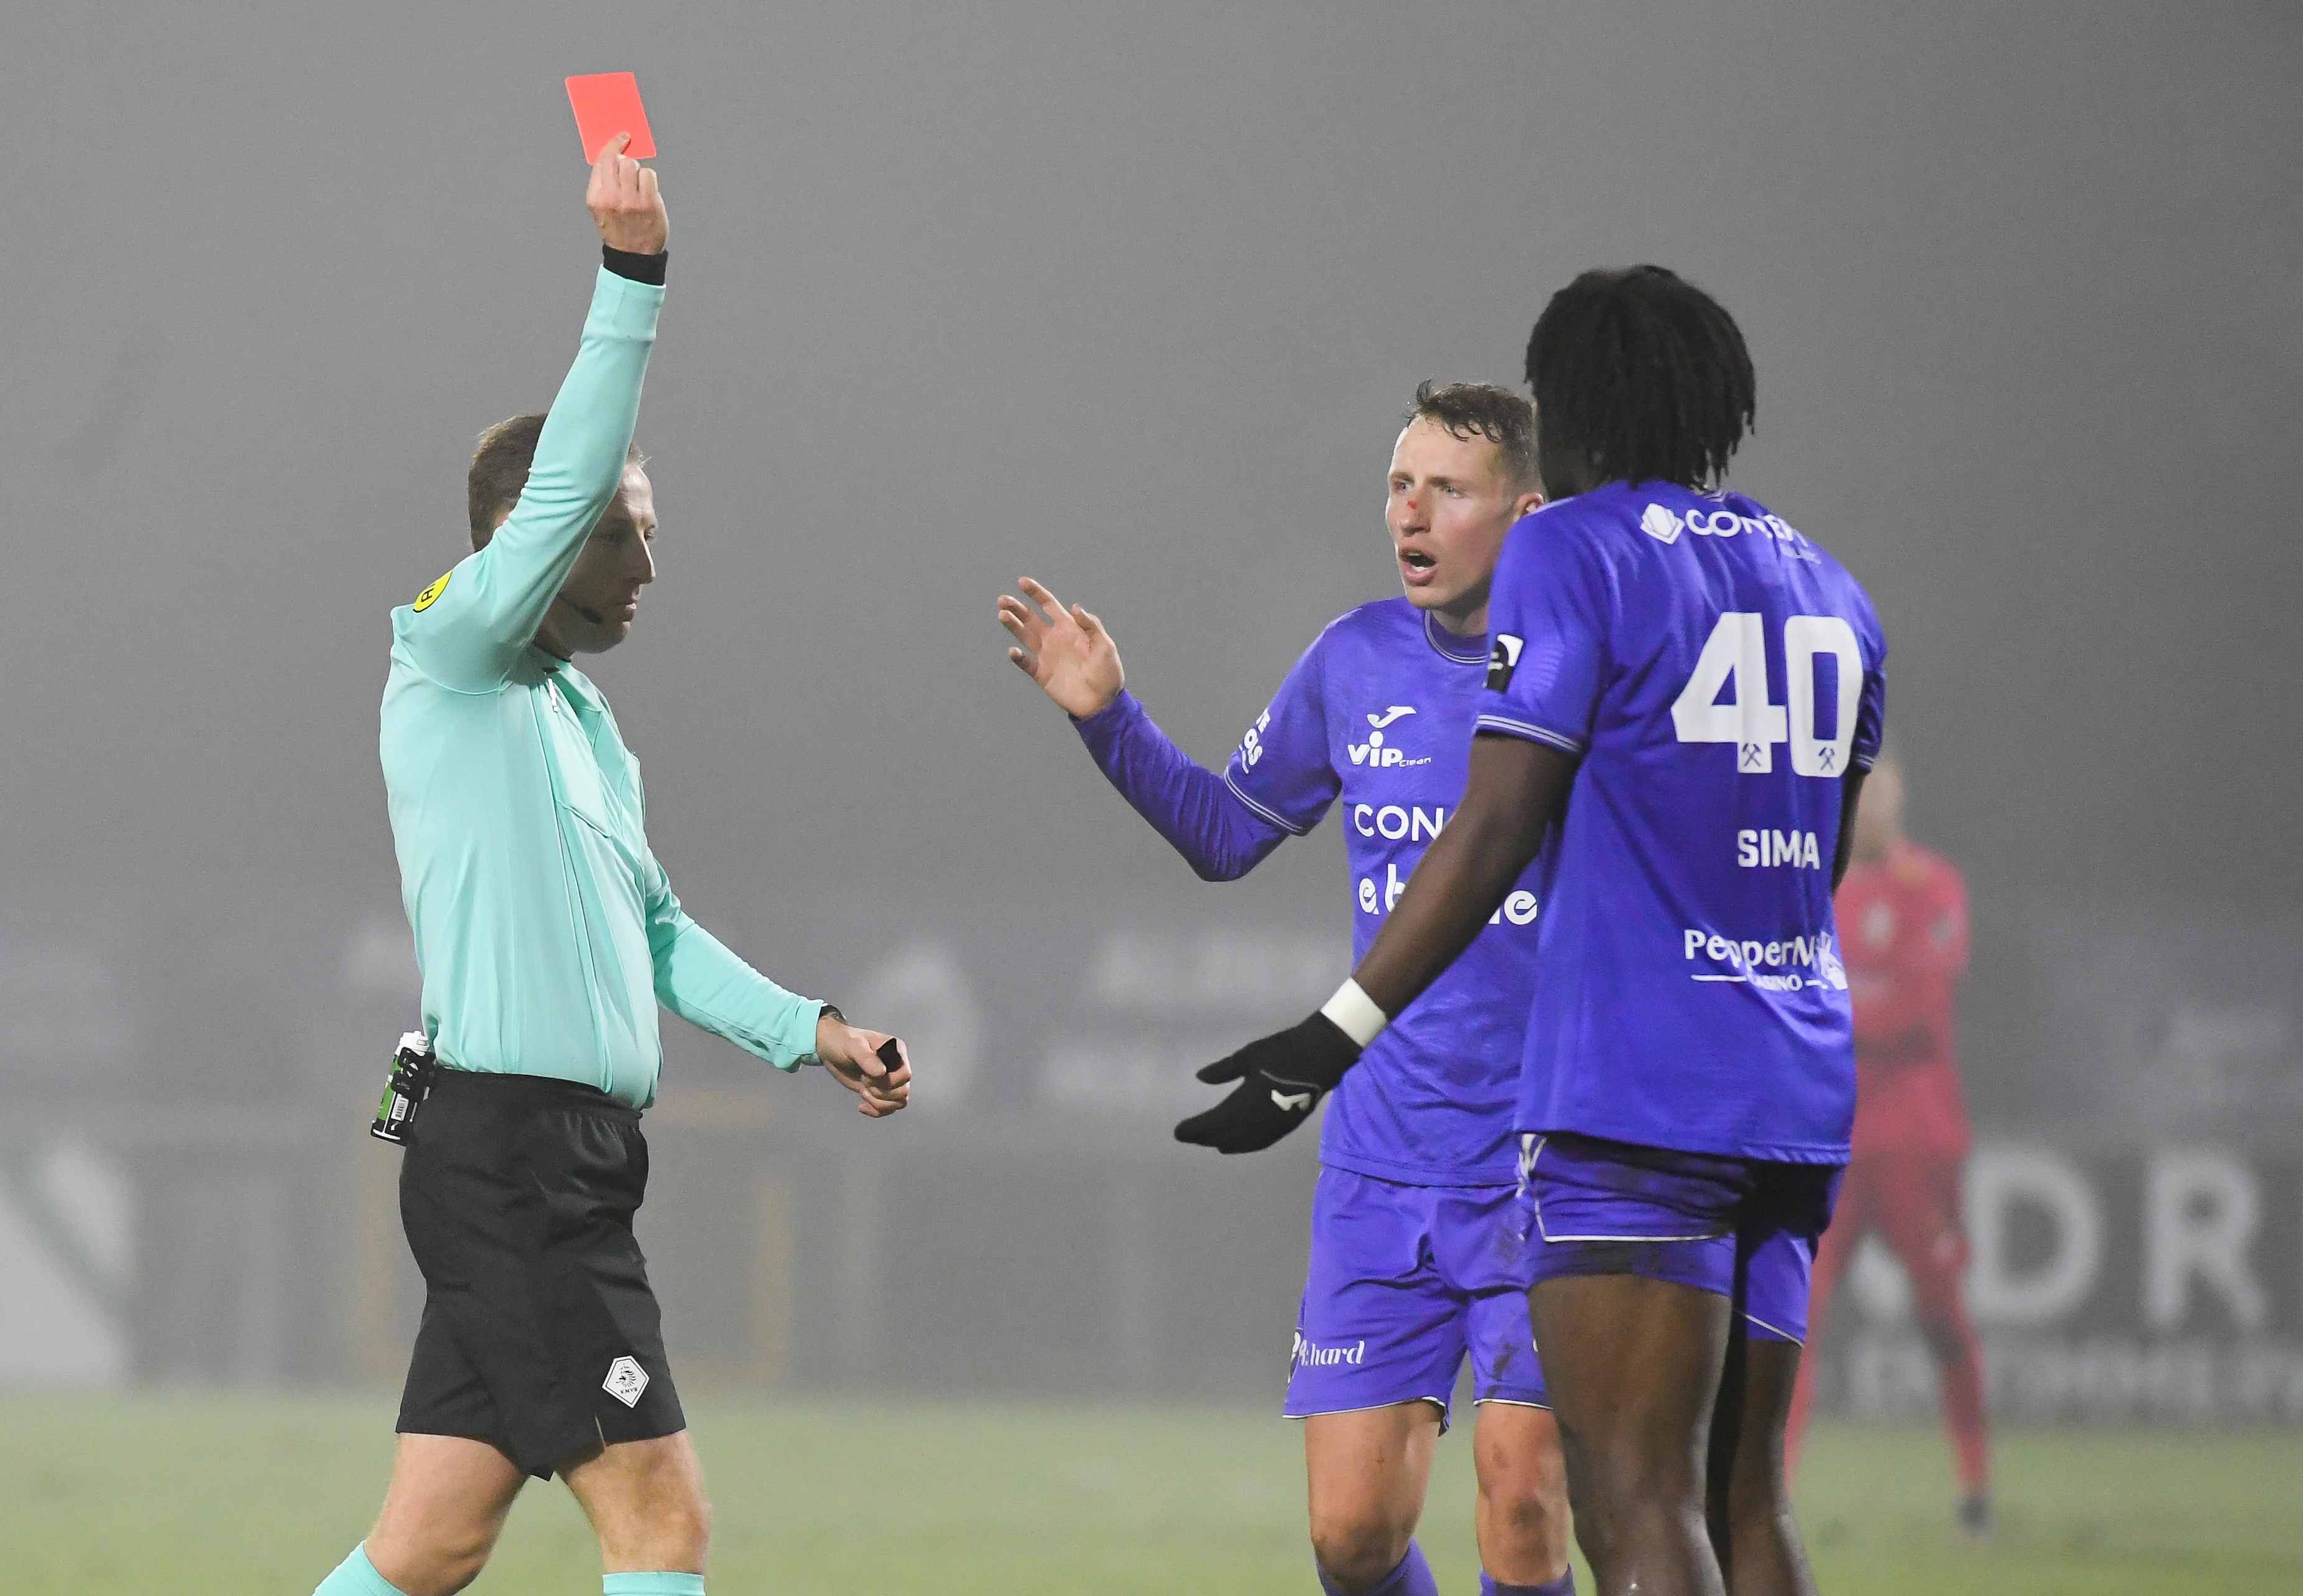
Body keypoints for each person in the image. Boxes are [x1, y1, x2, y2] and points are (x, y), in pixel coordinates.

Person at [1195, 266, 1885, 1595]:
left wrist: (1329, 1034)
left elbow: (1496, 823)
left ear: (1578, 407)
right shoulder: (1828, 584)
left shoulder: (1575, 547)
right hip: (1795, 1086)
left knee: (1633, 1505)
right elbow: (1816, 868)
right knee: (1750, 1500)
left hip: (1641, 1102)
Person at [314, 139, 911, 1596]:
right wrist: (631, 280)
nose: (650, 566)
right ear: (544, 539)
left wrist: (808, 1029)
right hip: (508, 1159)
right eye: (626, 533)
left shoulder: (581, 722)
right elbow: (569, 468)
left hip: (559, 1160)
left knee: (428, 1542)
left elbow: (652, 928)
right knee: (664, 1527)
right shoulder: (449, 653)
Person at [998, 383, 1574, 1596]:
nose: (1408, 514)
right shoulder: (1355, 657)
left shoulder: (1585, 673)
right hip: (1383, 1158)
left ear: (1526, 513)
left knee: (1524, 1501)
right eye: (1397, 484)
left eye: (1446, 489)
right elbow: (1225, 832)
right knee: (1350, 1536)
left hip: (1550, 1160)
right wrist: (1111, 721)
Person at [1786, 752, 1988, 1535]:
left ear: (1901, 797)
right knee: (1793, 1320)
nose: (1869, 807)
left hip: (1916, 1137)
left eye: (1881, 791)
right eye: (1857, 794)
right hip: (1826, 1139)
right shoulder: (1816, 882)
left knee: (1942, 1316)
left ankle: (1974, 1488)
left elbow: (1916, 1001)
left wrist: (1827, 1006)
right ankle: (1775, 1493)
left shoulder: (1933, 887)